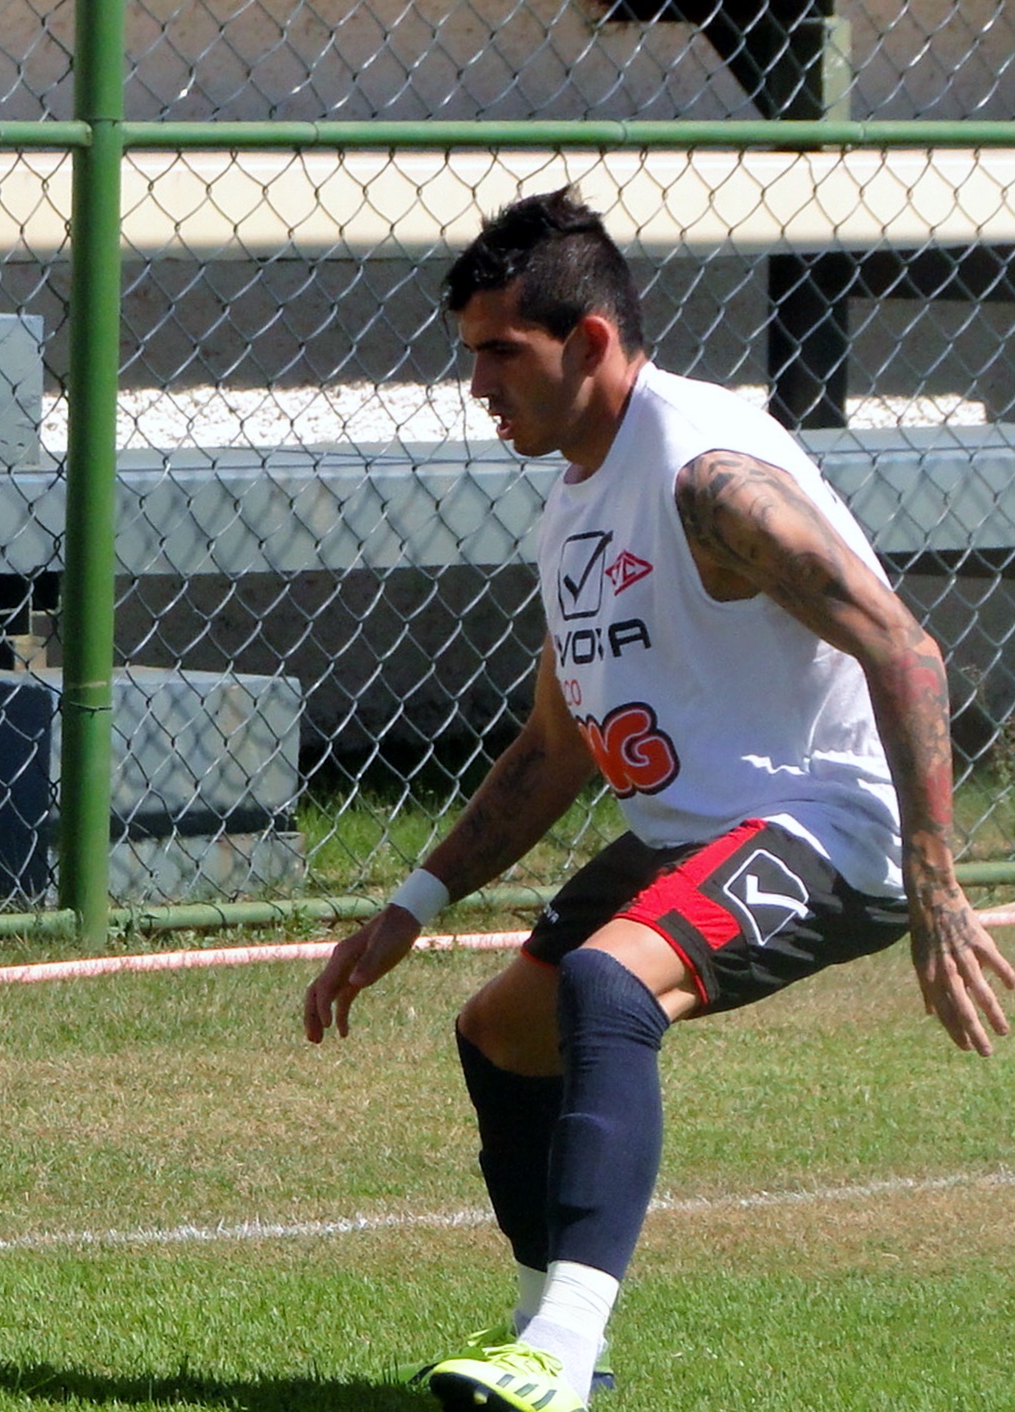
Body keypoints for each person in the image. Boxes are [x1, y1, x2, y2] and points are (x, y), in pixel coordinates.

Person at [303, 187, 1015, 1412]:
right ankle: (543, 1341)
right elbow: (553, 741)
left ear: (586, 342)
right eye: (468, 351)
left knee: (606, 983)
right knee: (503, 1033)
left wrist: (936, 882)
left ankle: (564, 1349)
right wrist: (409, 903)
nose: (475, 382)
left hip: (828, 825)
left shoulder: (707, 478)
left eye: (497, 353)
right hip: (700, 829)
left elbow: (905, 649)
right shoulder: (574, 493)